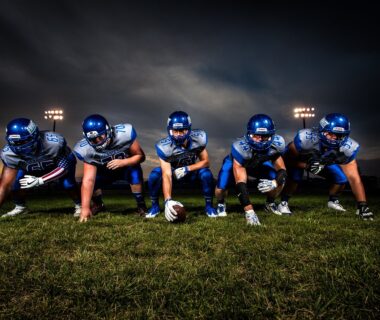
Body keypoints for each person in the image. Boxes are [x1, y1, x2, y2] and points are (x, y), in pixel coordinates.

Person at [278, 113, 374, 220]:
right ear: (321, 131)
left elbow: (355, 179)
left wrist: (362, 205)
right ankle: (283, 202)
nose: (333, 138)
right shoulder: (305, 139)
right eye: (330, 133)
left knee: (341, 178)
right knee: (295, 177)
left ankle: (333, 201)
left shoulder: (348, 148)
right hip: (299, 159)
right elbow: (287, 160)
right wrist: (307, 165)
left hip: (322, 161)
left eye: (338, 135)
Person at [0, 118, 81, 217]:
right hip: (31, 168)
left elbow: (64, 167)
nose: (19, 146)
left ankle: (80, 205)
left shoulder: (53, 143)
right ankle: (20, 207)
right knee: (15, 182)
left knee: (68, 184)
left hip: (57, 164)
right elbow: (5, 185)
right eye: (15, 142)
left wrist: (40, 180)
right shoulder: (8, 154)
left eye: (24, 141)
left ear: (35, 135)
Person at [74, 114, 147, 222]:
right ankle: (98, 204)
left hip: (125, 168)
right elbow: (89, 180)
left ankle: (141, 206)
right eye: (93, 140)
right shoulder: (85, 149)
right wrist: (85, 208)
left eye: (101, 137)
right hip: (105, 172)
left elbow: (141, 156)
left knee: (135, 171)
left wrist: (123, 162)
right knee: (87, 182)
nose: (98, 141)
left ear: (108, 130)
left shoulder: (125, 134)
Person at [145, 110, 218, 219]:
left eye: (182, 131)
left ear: (188, 129)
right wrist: (168, 200)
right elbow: (166, 174)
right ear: (169, 130)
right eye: (175, 131)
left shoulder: (198, 139)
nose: (178, 135)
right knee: (155, 174)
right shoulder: (164, 147)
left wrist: (187, 168)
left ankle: (209, 206)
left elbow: (206, 162)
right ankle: (155, 206)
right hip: (173, 174)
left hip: (190, 173)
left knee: (206, 173)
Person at [220, 114, 287, 226]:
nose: (259, 140)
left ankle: (269, 203)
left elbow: (282, 170)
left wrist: (275, 182)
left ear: (271, 135)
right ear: (249, 134)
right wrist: (249, 211)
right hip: (236, 162)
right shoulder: (240, 147)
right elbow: (240, 183)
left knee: (280, 180)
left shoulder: (277, 144)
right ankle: (221, 204)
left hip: (257, 164)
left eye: (264, 136)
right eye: (256, 136)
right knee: (221, 187)